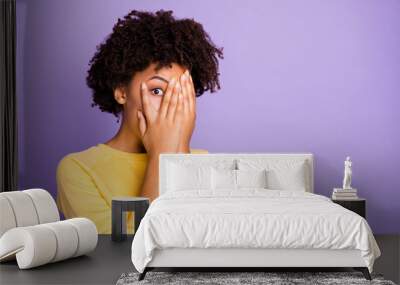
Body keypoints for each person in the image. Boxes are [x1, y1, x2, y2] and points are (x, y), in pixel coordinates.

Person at [56, 10, 223, 234]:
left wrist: (178, 154)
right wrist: (160, 155)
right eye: (157, 90)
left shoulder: (205, 163)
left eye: (181, 94)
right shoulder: (78, 170)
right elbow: (127, 254)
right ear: (122, 92)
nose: (170, 106)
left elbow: (198, 240)